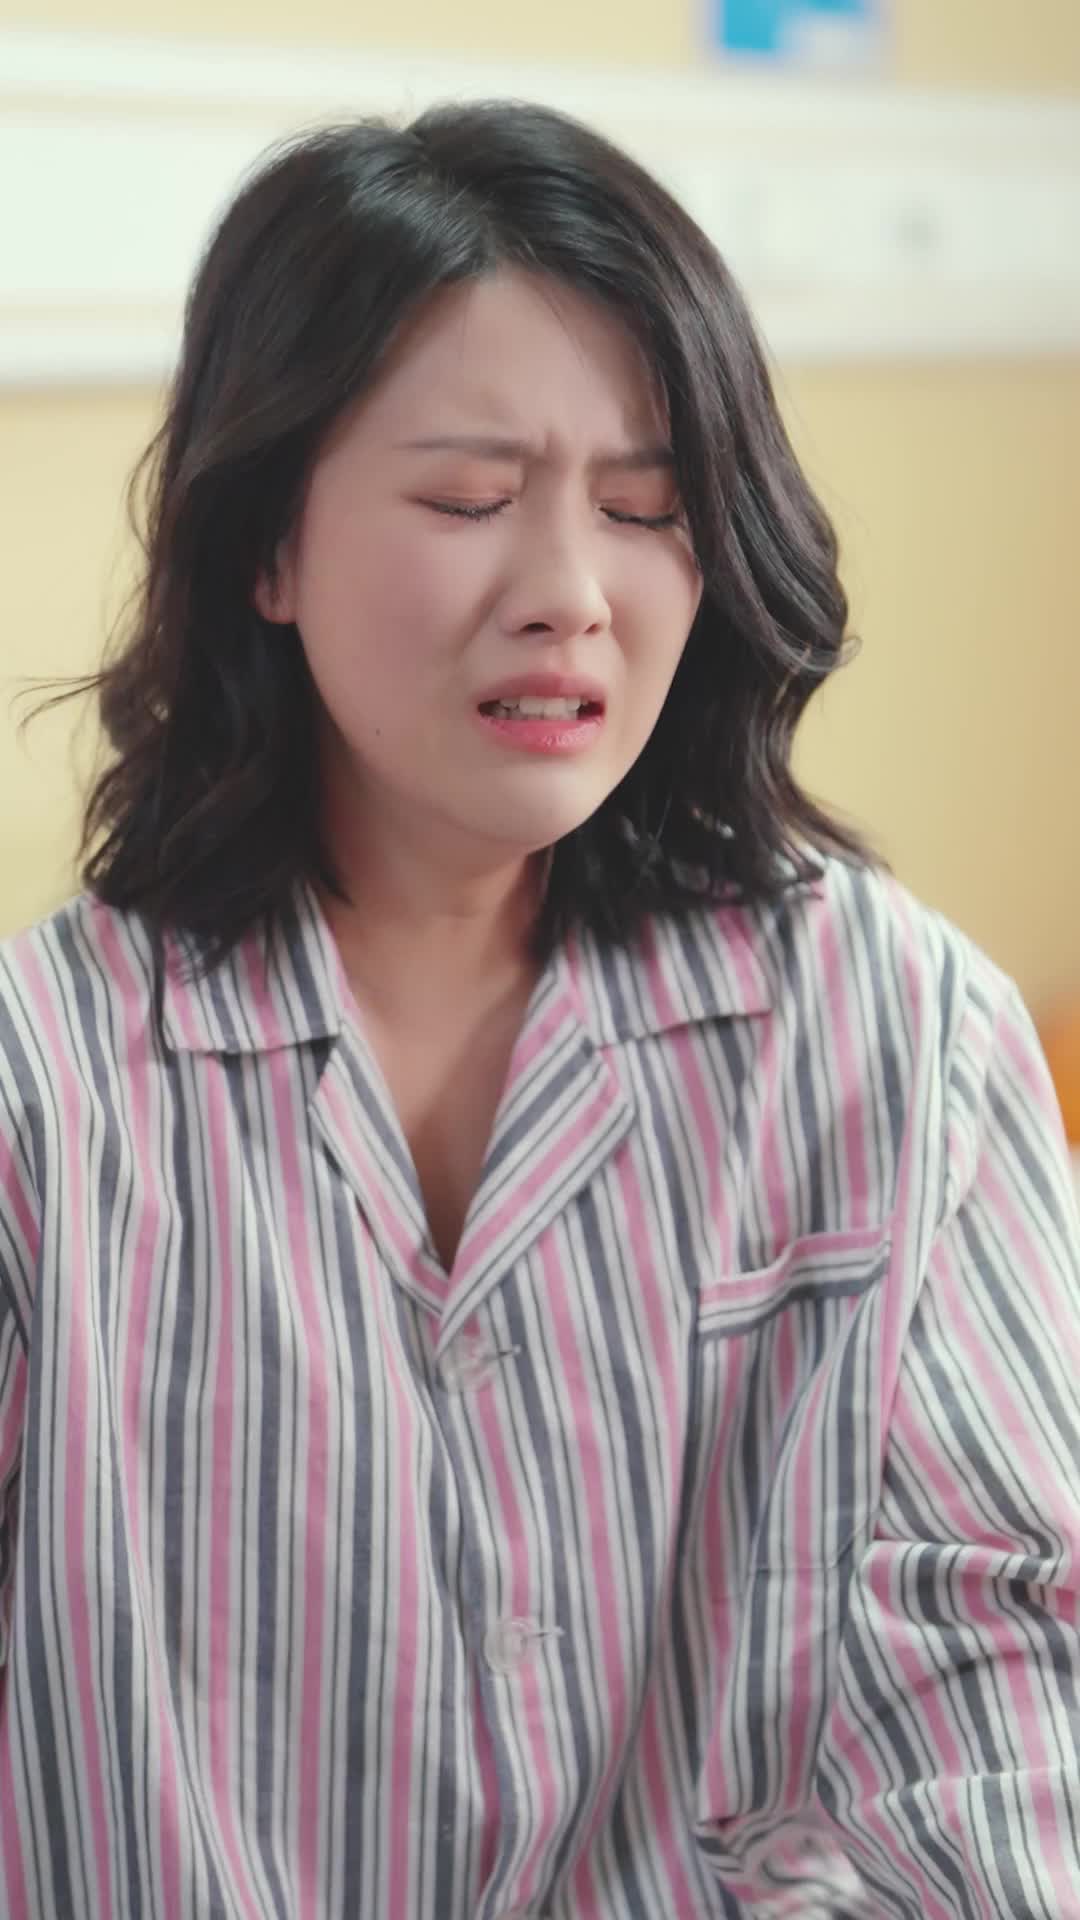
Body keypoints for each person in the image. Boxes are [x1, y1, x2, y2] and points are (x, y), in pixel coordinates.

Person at [1, 99, 1077, 1920]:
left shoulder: (896, 1037)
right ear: (267, 548)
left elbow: (1007, 1678)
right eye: (468, 501)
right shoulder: (47, 1091)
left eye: (646, 512)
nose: (570, 595)